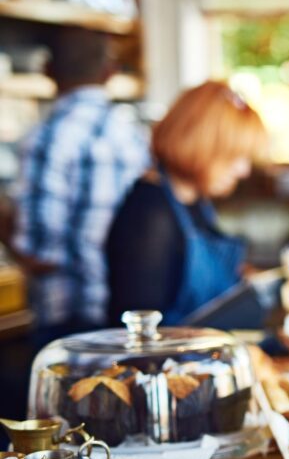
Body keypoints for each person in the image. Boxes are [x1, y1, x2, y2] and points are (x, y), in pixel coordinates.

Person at [9, 27, 150, 347]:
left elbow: (40, 253)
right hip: (127, 310)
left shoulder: (46, 137)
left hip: (69, 319)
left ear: (48, 70)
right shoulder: (133, 133)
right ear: (110, 72)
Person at [105, 80, 266, 325]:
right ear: (201, 144)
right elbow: (142, 340)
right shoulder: (150, 215)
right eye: (234, 156)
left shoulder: (196, 201)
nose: (243, 170)